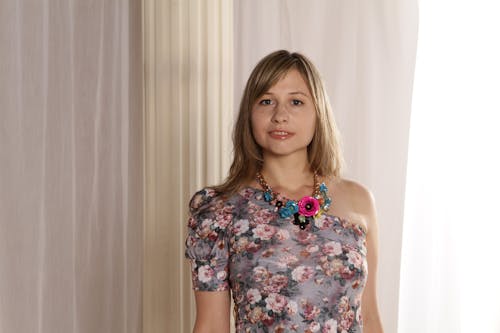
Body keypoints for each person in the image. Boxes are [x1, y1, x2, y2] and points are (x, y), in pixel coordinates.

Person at [185, 50, 384, 333]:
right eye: (266, 101)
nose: (280, 115)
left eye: (296, 102)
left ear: (318, 112)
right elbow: (211, 326)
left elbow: (371, 318)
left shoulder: (359, 200)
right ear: (249, 114)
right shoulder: (216, 209)